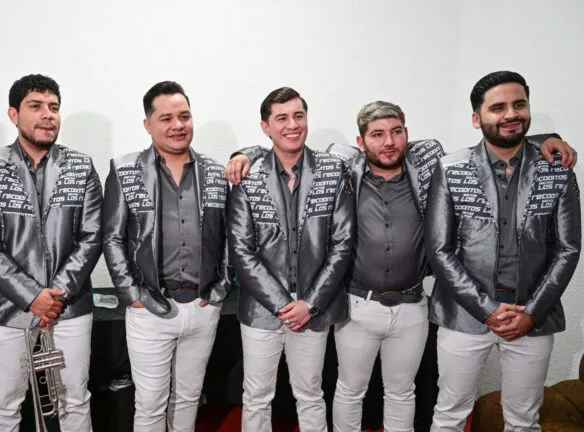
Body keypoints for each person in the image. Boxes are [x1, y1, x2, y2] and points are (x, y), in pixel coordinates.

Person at [226, 100, 574, 431]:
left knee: (402, 391)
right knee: (349, 389)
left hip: (412, 305)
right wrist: (245, 154)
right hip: (358, 304)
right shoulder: (343, 166)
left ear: (407, 133)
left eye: (396, 131)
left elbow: (494, 144)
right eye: (377, 134)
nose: (389, 141)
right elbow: (287, 149)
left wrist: (545, 140)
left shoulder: (429, 166)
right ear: (361, 142)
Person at [427, 71, 581, 431]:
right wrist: (486, 309)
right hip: (464, 315)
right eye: (498, 108)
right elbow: (439, 249)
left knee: (524, 420)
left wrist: (532, 313)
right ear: (476, 118)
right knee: (449, 415)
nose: (511, 114)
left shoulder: (557, 170)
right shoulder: (451, 168)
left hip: (532, 316)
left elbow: (568, 249)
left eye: (519, 104)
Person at [0, 74, 102, 431]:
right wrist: (31, 296)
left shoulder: (82, 165)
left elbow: (92, 236)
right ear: (13, 114)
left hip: (69, 307)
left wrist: (55, 296)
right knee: (4, 404)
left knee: (75, 399)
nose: (47, 115)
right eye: (36, 106)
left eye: (54, 107)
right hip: (7, 308)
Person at [102, 81, 230, 431]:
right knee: (150, 404)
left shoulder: (215, 172)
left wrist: (221, 288)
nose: (178, 125)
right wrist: (131, 294)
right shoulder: (125, 170)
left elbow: (230, 236)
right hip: (150, 308)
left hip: (203, 306)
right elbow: (112, 237)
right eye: (167, 118)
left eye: (184, 116)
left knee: (189, 398)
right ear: (148, 124)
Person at [228, 87, 355, 432]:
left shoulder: (333, 170)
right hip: (261, 311)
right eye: (281, 118)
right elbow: (241, 249)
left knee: (311, 395)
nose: (293, 124)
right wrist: (283, 304)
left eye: (299, 116)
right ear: (265, 127)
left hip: (314, 309)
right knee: (256, 397)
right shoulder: (247, 175)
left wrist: (309, 304)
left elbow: (342, 243)